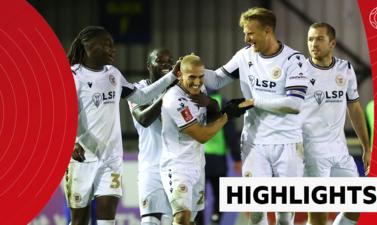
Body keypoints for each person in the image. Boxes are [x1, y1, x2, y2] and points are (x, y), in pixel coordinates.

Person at [203, 7, 308, 225]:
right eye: (245, 33)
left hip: (287, 143)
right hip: (255, 142)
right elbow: (215, 81)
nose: (246, 38)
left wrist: (254, 102)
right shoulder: (244, 56)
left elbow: (294, 104)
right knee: (257, 211)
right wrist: (191, 69)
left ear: (268, 31)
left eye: (250, 33)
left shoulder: (293, 60)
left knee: (284, 217)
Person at [64, 26, 178, 225]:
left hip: (111, 158)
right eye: (106, 44)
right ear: (88, 45)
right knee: (79, 220)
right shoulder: (72, 76)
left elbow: (142, 96)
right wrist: (71, 142)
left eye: (113, 45)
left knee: (107, 218)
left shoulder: (113, 75)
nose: (113, 49)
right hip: (82, 159)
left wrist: (172, 77)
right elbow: (61, 115)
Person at [160, 54, 248, 225]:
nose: (197, 82)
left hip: (198, 165)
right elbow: (201, 136)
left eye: (201, 77)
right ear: (179, 74)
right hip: (177, 166)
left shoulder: (201, 90)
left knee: (191, 219)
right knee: (181, 217)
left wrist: (211, 103)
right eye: (191, 77)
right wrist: (227, 116)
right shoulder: (174, 99)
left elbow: (212, 113)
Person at [300, 22, 371, 225]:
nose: (313, 44)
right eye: (310, 39)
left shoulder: (345, 68)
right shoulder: (299, 71)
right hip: (311, 153)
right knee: (319, 217)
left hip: (340, 151)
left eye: (319, 39)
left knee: (358, 203)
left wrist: (367, 148)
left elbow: (355, 108)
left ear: (332, 43)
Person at [127, 48, 175, 225]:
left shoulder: (180, 89)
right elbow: (144, 119)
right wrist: (167, 93)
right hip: (151, 167)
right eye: (160, 61)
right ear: (149, 65)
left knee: (171, 220)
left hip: (177, 167)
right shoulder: (138, 90)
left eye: (169, 61)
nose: (166, 65)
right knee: (150, 221)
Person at [192, 90, 242, 225]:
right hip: (217, 158)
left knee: (198, 195)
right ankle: (215, 219)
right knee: (220, 194)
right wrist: (236, 158)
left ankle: (199, 222)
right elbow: (230, 132)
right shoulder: (221, 101)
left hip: (197, 157)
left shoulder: (191, 100)